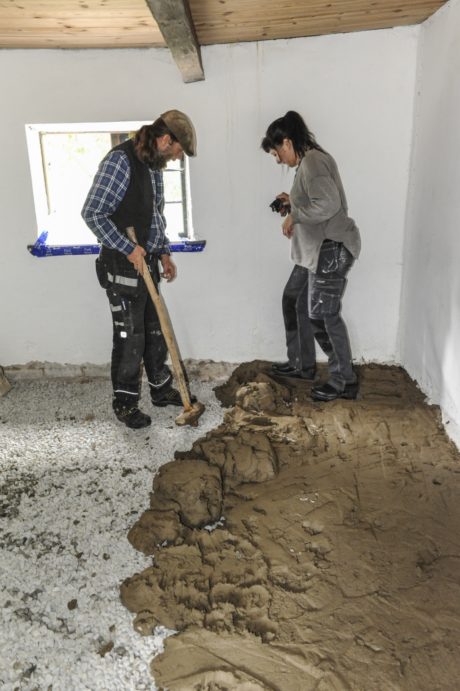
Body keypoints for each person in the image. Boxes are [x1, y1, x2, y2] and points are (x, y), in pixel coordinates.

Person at [82, 110, 197, 428]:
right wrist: (128, 247)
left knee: (155, 330)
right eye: (176, 152)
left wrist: (163, 253)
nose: (175, 158)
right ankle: (125, 402)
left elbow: (155, 214)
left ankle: (161, 390)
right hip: (121, 262)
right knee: (130, 336)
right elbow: (92, 213)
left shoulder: (153, 164)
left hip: (146, 259)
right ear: (165, 140)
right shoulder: (120, 161)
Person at [261, 110, 361, 402]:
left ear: (288, 142)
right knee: (293, 301)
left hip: (330, 249)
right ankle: (302, 365)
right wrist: (292, 203)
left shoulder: (314, 161)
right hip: (312, 252)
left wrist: (295, 216)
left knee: (321, 316)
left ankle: (344, 380)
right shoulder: (307, 165)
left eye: (277, 152)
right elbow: (314, 201)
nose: (278, 159)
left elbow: (329, 204)